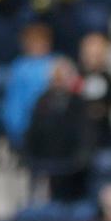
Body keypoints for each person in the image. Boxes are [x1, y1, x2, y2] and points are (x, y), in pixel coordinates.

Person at [25, 58, 92, 201]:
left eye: (62, 79)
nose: (58, 84)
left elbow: (85, 133)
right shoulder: (41, 102)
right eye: (55, 79)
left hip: (73, 168)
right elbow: (32, 133)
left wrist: (79, 159)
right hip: (46, 162)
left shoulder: (78, 103)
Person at [4, 23, 57, 148]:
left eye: (42, 41)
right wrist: (15, 127)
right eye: (34, 42)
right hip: (26, 127)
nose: (39, 46)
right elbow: (14, 101)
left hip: (51, 127)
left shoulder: (57, 63)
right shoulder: (19, 67)